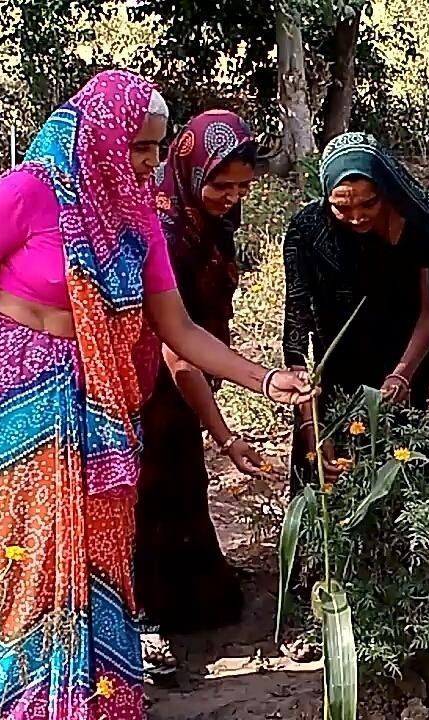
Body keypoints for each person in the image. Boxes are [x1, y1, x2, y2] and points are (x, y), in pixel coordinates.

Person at [0, 71, 313, 720]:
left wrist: (262, 378)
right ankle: (1, 681)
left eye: (157, 148)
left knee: (88, 550)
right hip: (2, 395)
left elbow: (175, 327)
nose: (150, 163)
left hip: (91, 402)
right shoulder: (25, 195)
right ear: (98, 137)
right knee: (17, 547)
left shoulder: (136, 218)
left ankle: (71, 692)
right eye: (138, 147)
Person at [134, 111, 261, 645]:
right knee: (156, 489)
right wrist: (226, 434)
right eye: (219, 183)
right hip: (151, 388)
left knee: (182, 485)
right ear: (189, 170)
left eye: (241, 186)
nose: (230, 196)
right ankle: (146, 618)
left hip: (189, 382)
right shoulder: (166, 232)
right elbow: (176, 349)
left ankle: (180, 607)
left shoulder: (204, 222)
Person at [282, 131, 429, 489]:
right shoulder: (308, 232)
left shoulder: (423, 223)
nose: (357, 217)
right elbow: (296, 328)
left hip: (415, 367)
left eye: (369, 204)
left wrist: (401, 376)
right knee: (332, 490)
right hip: (341, 372)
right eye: (341, 207)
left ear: (386, 190)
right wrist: (310, 421)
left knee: (408, 488)